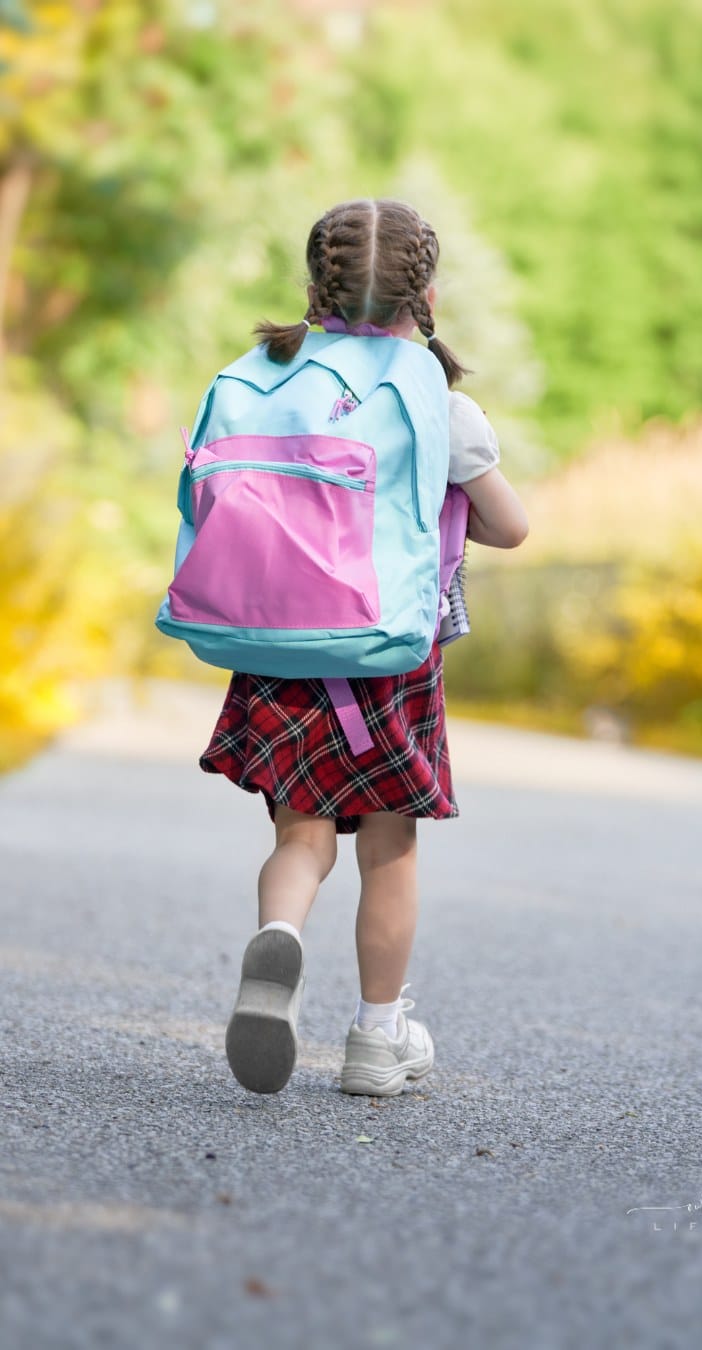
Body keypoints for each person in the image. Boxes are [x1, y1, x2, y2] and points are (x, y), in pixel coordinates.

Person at [198, 198, 529, 1097]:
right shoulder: (438, 399)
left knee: (301, 834)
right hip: (389, 653)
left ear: (317, 285)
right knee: (390, 845)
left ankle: (283, 940)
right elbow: (512, 526)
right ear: (425, 292)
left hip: (276, 640)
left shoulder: (264, 372)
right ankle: (379, 1039)